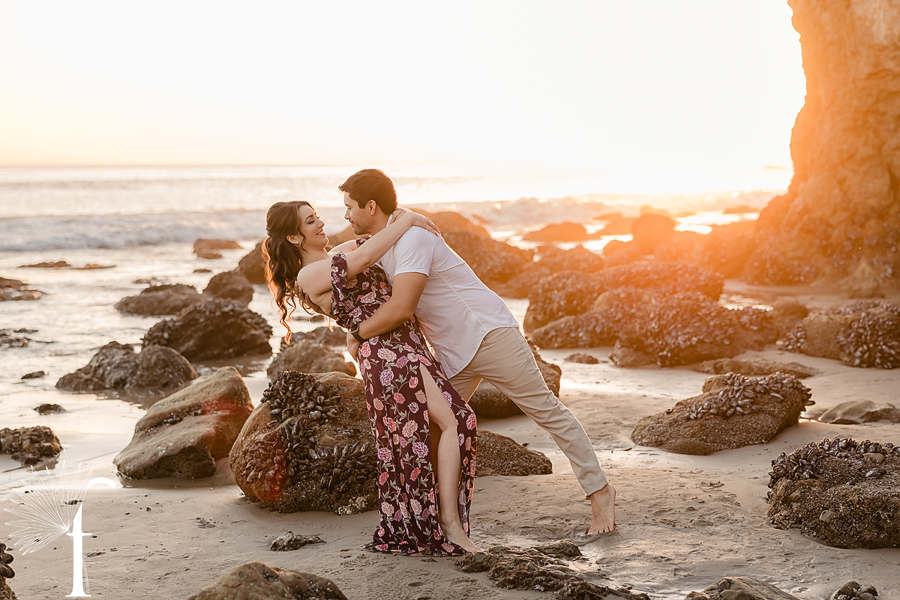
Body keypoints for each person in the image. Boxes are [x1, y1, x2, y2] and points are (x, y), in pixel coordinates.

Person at [341, 169, 616, 535]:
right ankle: (433, 517)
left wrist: (358, 334)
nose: (345, 216)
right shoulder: (385, 238)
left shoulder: (413, 239)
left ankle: (600, 491)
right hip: (453, 353)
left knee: (547, 411)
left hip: (488, 335)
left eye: (348, 207)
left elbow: (403, 306)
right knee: (432, 427)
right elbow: (331, 264)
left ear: (370, 206)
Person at [262, 200, 480, 555]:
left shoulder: (340, 251)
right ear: (292, 236)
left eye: (317, 217)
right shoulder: (308, 275)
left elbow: (375, 240)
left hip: (407, 342)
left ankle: (440, 521)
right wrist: (408, 218)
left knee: (445, 425)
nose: (320, 224)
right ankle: (449, 525)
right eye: (309, 222)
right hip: (386, 354)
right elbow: (364, 258)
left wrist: (405, 218)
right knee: (456, 420)